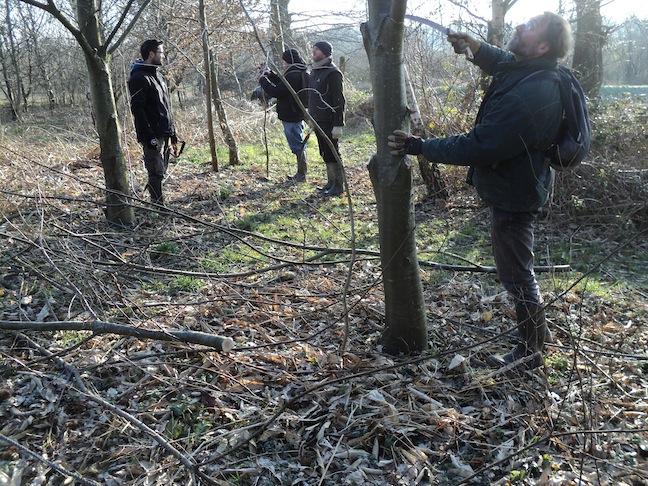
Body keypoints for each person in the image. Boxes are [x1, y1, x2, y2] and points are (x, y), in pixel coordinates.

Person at [388, 12, 573, 371]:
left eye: (530, 27)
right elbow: (507, 63)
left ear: (543, 46)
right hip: (516, 185)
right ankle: (535, 337)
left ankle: (532, 349)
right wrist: (477, 48)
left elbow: (481, 145)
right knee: (518, 271)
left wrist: (421, 146)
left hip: (515, 194)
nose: (520, 26)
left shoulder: (535, 91)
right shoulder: (535, 70)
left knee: (517, 275)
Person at [128, 39, 178, 206]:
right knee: (155, 171)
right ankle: (158, 206)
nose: (163, 56)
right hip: (151, 134)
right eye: (161, 53)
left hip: (164, 131)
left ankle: (156, 200)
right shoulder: (139, 77)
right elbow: (138, 110)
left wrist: (173, 132)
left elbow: (165, 105)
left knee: (161, 170)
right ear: (151, 54)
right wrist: (149, 136)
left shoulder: (158, 75)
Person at [258, 48, 309, 182]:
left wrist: (263, 80)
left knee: (297, 145)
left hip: (292, 115)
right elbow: (283, 84)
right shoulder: (297, 72)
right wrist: (271, 75)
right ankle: (300, 173)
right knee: (298, 144)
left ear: (288, 60)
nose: (282, 62)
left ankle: (302, 175)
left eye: (284, 60)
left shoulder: (293, 75)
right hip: (294, 113)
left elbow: (277, 91)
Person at [308, 41, 346, 196]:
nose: (313, 52)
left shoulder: (333, 73)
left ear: (324, 52)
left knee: (332, 152)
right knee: (323, 152)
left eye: (316, 50)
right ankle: (330, 182)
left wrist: (338, 124)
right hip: (317, 120)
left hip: (330, 121)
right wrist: (311, 117)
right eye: (313, 49)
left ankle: (339, 185)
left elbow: (339, 100)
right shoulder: (315, 71)